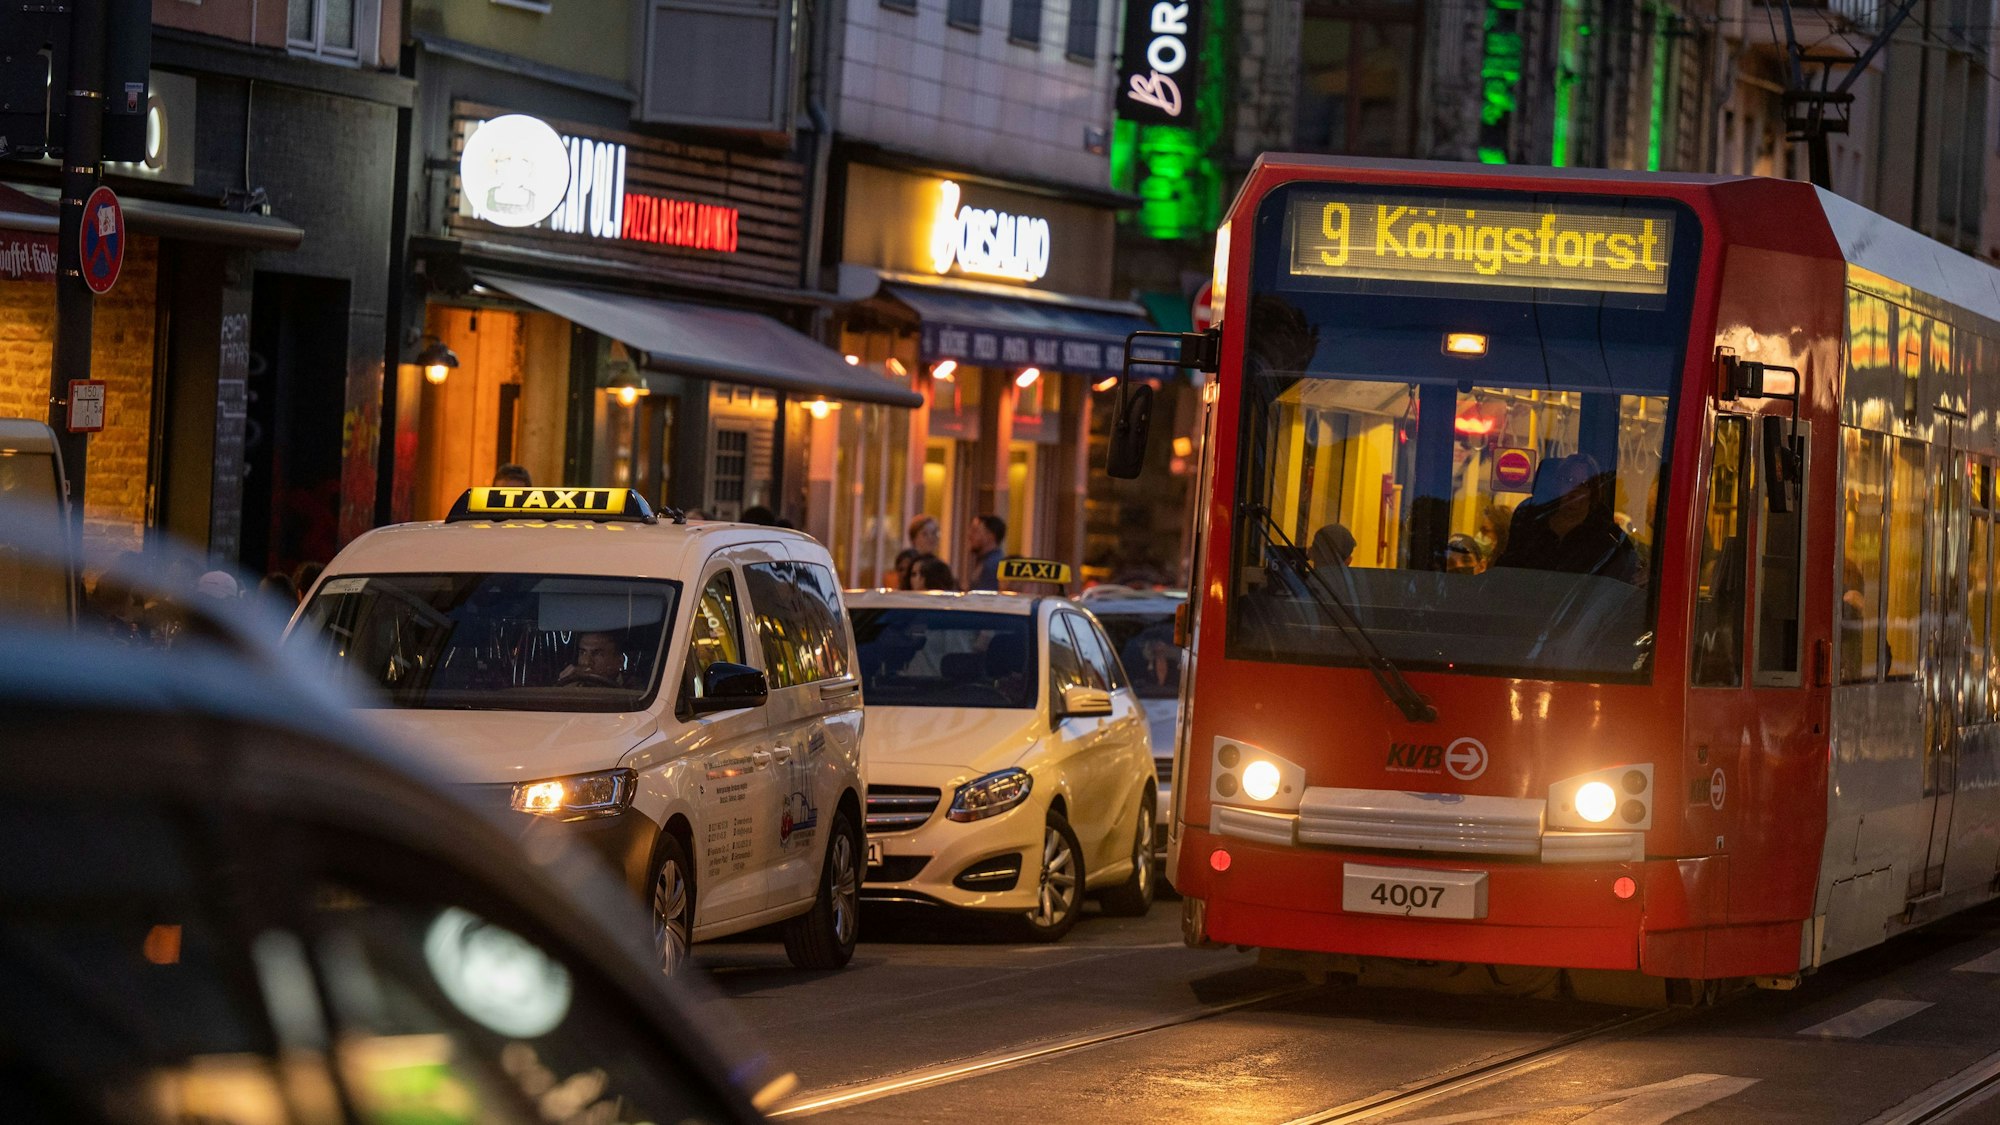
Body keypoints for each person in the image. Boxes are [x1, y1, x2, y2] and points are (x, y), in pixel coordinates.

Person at [1492, 453, 1640, 582]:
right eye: (1569, 480)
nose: (1574, 490)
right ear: (1557, 484)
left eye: (1584, 484)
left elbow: (1628, 571)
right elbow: (1509, 567)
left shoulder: (1604, 533)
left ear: (1592, 492)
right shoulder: (1530, 522)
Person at [559, 630, 628, 687]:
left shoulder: (634, 692)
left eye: (598, 654)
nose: (586, 662)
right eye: (583, 653)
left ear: (620, 661)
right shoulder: (571, 685)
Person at [895, 514, 941, 588]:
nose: (931, 538)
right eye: (924, 534)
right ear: (914, 539)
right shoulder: (908, 562)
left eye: (934, 533)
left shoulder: (940, 566)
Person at [963, 514, 1006, 591]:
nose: (969, 535)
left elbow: (981, 599)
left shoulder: (992, 565)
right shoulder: (985, 562)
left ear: (991, 536)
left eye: (975, 531)